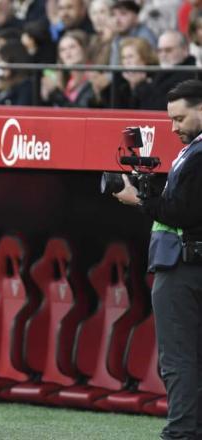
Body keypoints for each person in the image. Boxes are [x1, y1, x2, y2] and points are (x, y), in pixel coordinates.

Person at [113, 79, 202, 440]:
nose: (174, 127)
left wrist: (139, 198)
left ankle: (182, 432)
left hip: (183, 266)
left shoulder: (197, 156)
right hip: (186, 261)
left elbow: (180, 211)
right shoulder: (191, 151)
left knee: (178, 359)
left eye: (180, 119)